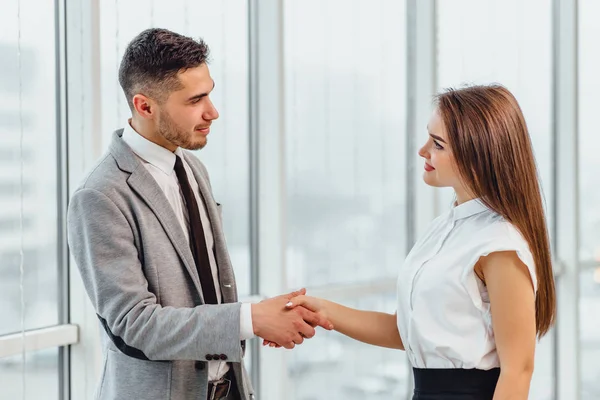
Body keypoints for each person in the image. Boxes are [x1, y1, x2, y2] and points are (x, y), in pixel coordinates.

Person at [67, 28, 332, 400]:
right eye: (195, 100)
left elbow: (204, 287)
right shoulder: (99, 195)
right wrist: (250, 320)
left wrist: (262, 321)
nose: (213, 111)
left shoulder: (191, 167)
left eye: (209, 92)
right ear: (144, 106)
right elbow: (135, 324)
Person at [279, 84, 556, 400]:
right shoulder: (445, 230)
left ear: (477, 156)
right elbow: (407, 331)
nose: (423, 151)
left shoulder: (499, 245)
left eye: (438, 144)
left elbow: (518, 370)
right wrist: (324, 309)